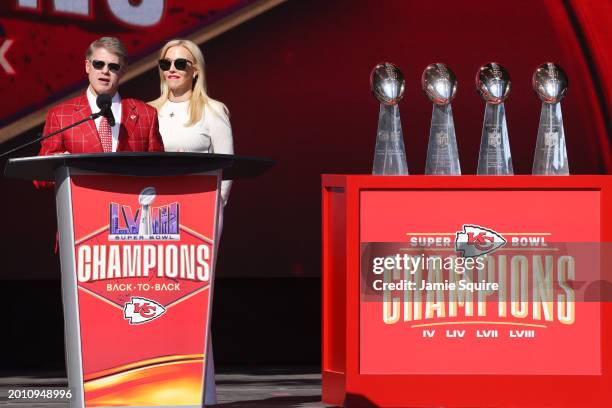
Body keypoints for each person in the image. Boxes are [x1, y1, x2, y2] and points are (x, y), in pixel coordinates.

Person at [150, 38, 233, 406]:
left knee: (193, 301)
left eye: (181, 64)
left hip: (199, 216)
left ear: (195, 69)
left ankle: (201, 393)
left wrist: (211, 211)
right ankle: (155, 385)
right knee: (157, 297)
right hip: (154, 219)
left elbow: (228, 170)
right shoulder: (147, 111)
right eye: (166, 63)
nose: (172, 69)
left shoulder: (213, 111)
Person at [38, 36, 164, 156]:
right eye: (99, 64)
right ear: (88, 66)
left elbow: (159, 170)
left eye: (113, 67)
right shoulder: (60, 116)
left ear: (123, 71)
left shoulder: (146, 115)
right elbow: (43, 174)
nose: (105, 71)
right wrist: (59, 166)